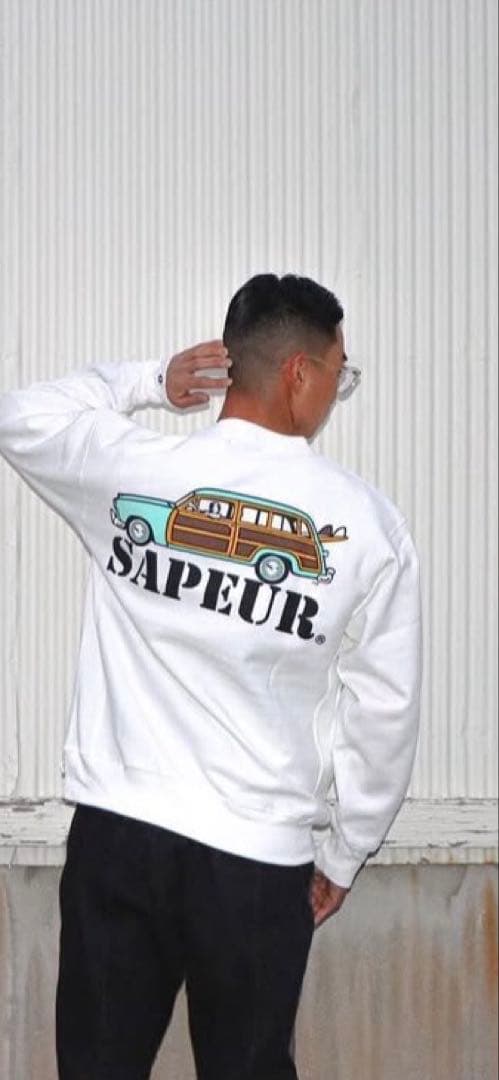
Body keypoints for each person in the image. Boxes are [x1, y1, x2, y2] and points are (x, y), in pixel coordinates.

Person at [0, 273, 422, 1080]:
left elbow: (21, 414)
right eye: (339, 372)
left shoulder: (136, 471)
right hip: (254, 859)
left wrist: (148, 384)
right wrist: (344, 852)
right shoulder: (365, 525)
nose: (336, 391)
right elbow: (383, 708)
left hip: (119, 834)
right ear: (298, 373)